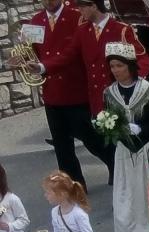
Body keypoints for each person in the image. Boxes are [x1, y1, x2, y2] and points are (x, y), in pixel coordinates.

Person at [30, 0, 108, 187]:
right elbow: (32, 52)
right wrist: (22, 59)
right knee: (62, 147)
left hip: (75, 90)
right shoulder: (36, 20)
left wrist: (44, 66)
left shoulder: (76, 17)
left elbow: (74, 53)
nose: (48, 1)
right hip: (52, 92)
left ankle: (116, 165)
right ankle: (74, 188)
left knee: (92, 139)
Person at [98, 45, 149, 232]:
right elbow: (107, 119)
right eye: (112, 66)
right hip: (124, 154)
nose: (116, 70)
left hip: (148, 152)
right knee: (123, 202)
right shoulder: (109, 93)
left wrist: (143, 129)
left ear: (130, 66)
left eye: (120, 65)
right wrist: (110, 129)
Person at [73, 0, 149, 126]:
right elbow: (69, 55)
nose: (79, 11)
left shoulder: (121, 29)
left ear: (94, 6)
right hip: (97, 97)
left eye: (82, 7)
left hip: (120, 96)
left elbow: (143, 59)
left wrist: (132, 82)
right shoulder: (82, 31)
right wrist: (44, 67)